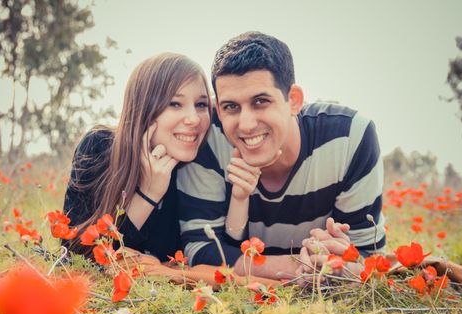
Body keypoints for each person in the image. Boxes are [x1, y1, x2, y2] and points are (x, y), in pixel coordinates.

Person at [177, 32, 386, 280]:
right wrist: (299, 265)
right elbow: (200, 250)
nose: (245, 124)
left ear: (294, 101)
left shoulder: (350, 137)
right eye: (231, 106)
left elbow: (369, 255)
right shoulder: (206, 140)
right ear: (218, 109)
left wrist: (342, 258)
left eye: (260, 101)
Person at [63, 53, 212, 262]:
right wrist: (148, 194)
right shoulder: (100, 147)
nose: (194, 119)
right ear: (145, 108)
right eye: (175, 103)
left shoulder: (202, 162)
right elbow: (77, 258)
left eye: (201, 105)